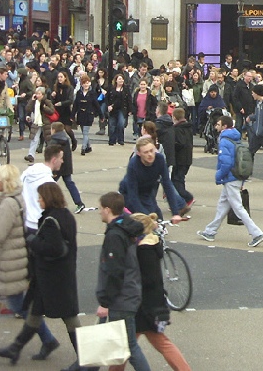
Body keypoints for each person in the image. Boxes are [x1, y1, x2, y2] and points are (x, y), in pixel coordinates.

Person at [0, 165, 57, 359]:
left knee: (19, 307)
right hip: (11, 261)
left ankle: (48, 339)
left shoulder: (7, 204)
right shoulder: (16, 198)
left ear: (5, 182)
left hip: (9, 263)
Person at [112, 213, 191, 371]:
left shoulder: (143, 250)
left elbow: (147, 279)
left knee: (128, 344)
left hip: (144, 305)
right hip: (152, 303)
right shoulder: (152, 244)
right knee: (140, 343)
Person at [95, 191, 152, 371]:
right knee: (119, 344)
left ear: (108, 209)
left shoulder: (114, 236)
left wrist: (105, 302)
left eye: (100, 209)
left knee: (129, 346)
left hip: (122, 298)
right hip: (129, 294)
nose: (98, 212)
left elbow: (115, 271)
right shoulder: (126, 229)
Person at [197, 115, 263, 248]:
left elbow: (226, 163)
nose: (216, 126)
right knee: (223, 205)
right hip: (237, 176)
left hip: (230, 178)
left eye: (218, 124)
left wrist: (218, 176)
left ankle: (257, 233)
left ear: (224, 126)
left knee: (238, 207)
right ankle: (210, 231)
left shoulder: (224, 140)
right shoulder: (235, 138)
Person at [120, 136, 189, 222]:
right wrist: (147, 217)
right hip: (128, 194)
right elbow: (133, 195)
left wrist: (175, 213)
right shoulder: (133, 165)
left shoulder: (159, 159)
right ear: (139, 153)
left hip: (147, 192)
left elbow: (167, 185)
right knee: (143, 223)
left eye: (151, 151)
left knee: (159, 219)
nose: (150, 154)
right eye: (145, 152)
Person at [21, 144, 60, 232]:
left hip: (26, 221)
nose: (62, 161)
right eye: (61, 158)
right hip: (39, 224)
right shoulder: (50, 183)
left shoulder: (27, 173)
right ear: (54, 160)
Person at [50, 122, 86, 213]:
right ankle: (79, 202)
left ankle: (51, 203)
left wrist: (52, 169)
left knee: (48, 184)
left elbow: (52, 156)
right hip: (66, 165)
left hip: (57, 167)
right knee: (69, 183)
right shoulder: (65, 139)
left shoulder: (54, 141)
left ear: (54, 130)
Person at [171, 107, 195, 206]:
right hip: (187, 158)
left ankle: (187, 197)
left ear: (174, 117)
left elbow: (180, 143)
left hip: (180, 159)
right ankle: (181, 200)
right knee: (180, 179)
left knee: (176, 180)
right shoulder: (188, 127)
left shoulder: (177, 129)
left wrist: (173, 145)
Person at [73, 74, 99, 155]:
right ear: (81, 84)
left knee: (85, 132)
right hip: (81, 114)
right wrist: (72, 115)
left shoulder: (92, 93)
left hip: (89, 114)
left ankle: (83, 148)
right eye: (84, 83)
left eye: (87, 83)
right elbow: (75, 105)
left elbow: (96, 104)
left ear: (90, 83)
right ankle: (88, 146)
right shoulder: (79, 93)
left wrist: (101, 115)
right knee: (84, 132)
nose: (86, 84)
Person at [108, 73, 131, 145]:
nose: (121, 80)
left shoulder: (126, 89)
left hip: (122, 108)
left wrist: (130, 110)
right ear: (116, 80)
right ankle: (112, 140)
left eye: (122, 79)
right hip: (113, 109)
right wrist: (108, 106)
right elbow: (107, 98)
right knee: (112, 125)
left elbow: (129, 99)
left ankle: (120, 139)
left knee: (121, 124)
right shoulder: (111, 88)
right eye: (119, 79)